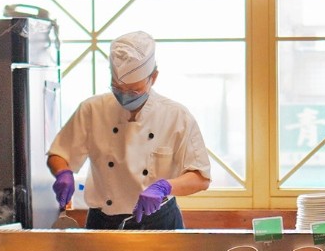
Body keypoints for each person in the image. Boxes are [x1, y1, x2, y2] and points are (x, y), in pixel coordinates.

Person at [47, 30, 211, 229]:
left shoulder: (176, 116)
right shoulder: (92, 110)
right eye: (117, 88)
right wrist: (63, 173)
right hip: (103, 224)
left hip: (159, 223)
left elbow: (200, 177)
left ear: (154, 77)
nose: (125, 96)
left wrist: (165, 187)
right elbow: (59, 153)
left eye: (134, 90)